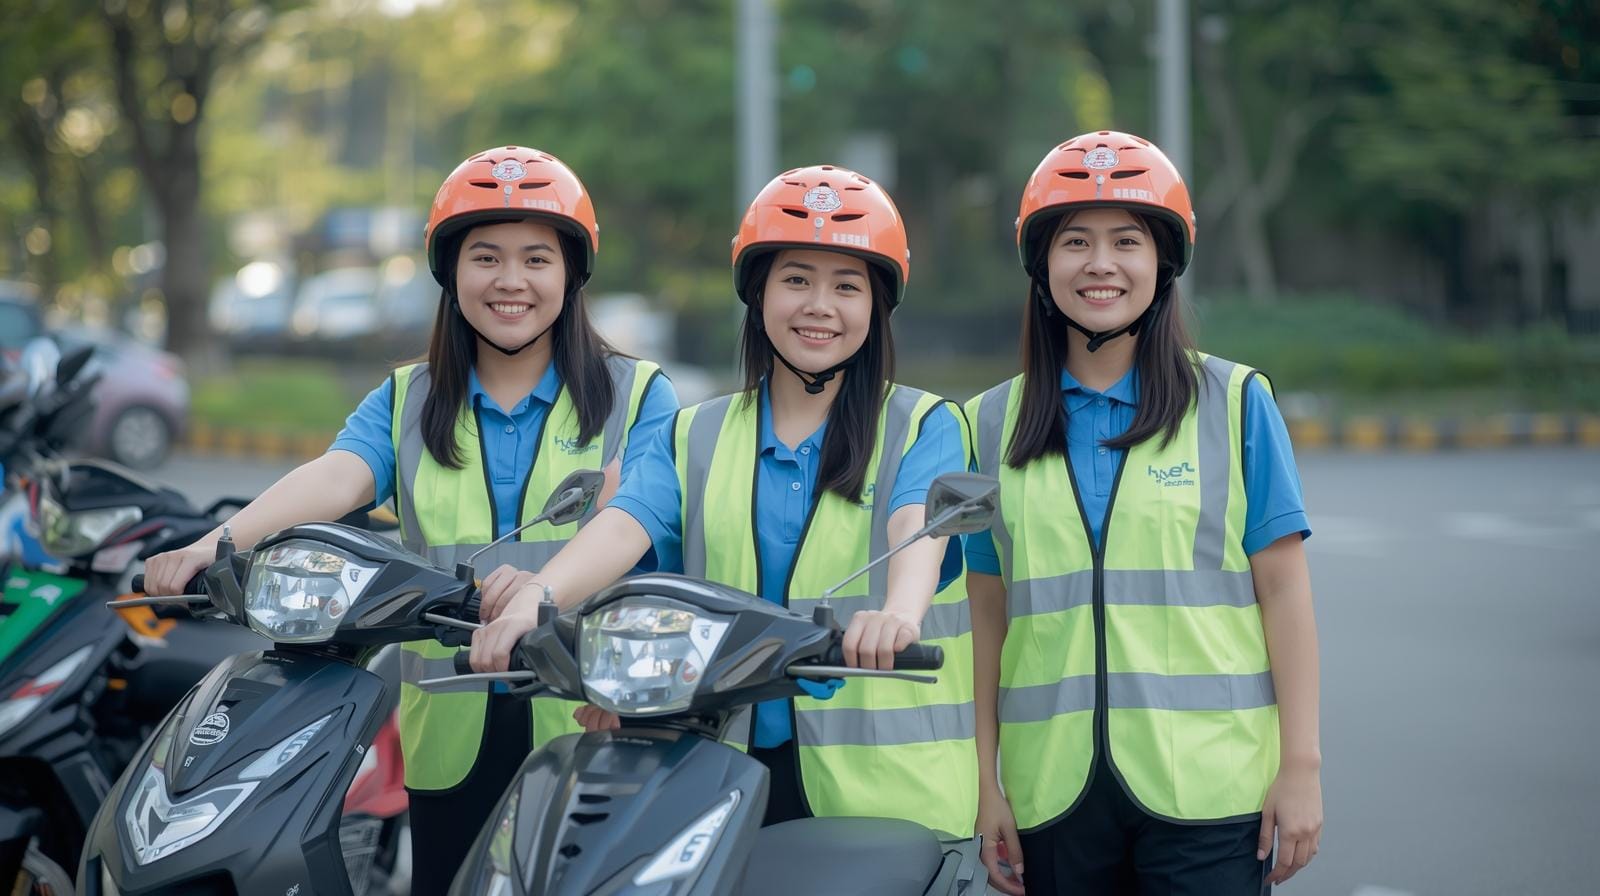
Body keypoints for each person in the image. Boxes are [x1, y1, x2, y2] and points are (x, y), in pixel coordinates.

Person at [141, 145, 678, 895]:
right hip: (449, 730)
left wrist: (541, 593)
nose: (511, 281)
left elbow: (635, 517)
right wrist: (215, 542)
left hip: (590, 724)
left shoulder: (637, 394)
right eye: (486, 257)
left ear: (572, 274)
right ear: (450, 273)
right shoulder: (409, 398)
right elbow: (335, 475)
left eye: (537, 259)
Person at [471, 165, 980, 835]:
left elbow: (917, 528)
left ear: (877, 307)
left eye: (847, 286)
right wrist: (537, 597)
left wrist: (899, 617)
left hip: (887, 804)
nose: (819, 306)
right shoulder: (694, 432)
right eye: (796, 279)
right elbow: (624, 526)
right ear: (758, 293)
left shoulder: (925, 424)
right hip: (715, 778)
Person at [965, 131, 1323, 895]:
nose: (1101, 263)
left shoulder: (1235, 404)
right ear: (1041, 264)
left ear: (1163, 262)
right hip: (1053, 796)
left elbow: (1285, 593)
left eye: (1126, 240)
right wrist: (984, 782)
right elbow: (985, 615)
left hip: (1211, 793)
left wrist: (1302, 766)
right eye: (1076, 242)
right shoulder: (988, 425)